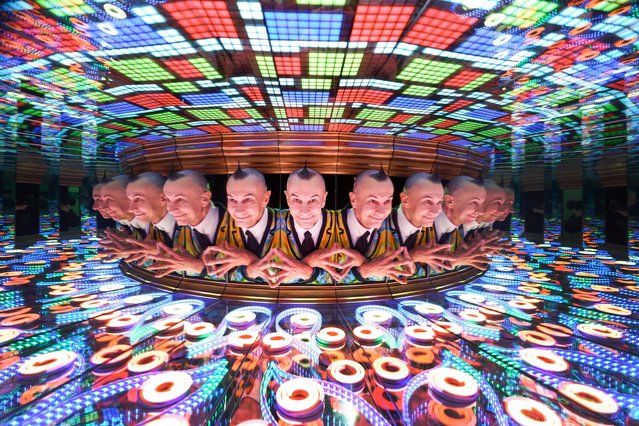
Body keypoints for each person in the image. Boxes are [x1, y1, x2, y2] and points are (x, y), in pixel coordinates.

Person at [333, 169, 414, 284]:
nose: (381, 212)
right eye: (373, 201)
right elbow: (326, 283)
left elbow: (401, 272)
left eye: (387, 201)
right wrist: (366, 270)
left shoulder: (396, 230)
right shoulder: (328, 224)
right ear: (353, 200)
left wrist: (412, 266)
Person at [275, 166, 349, 286]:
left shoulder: (344, 223)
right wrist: (309, 263)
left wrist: (305, 268)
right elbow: (267, 278)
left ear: (324, 199)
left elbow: (343, 281)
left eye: (313, 200)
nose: (305, 211)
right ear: (287, 198)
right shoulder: (270, 222)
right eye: (296, 200)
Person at [201, 167, 277, 282]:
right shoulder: (218, 226)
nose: (238, 211)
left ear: (265, 198)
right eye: (232, 200)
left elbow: (287, 279)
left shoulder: (288, 223)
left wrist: (249, 260)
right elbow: (218, 276)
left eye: (248, 200)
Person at [147, 170, 225, 277]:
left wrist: (199, 268)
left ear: (205, 199)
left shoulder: (238, 224)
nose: (170, 209)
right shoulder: (180, 231)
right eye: (168, 200)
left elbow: (252, 277)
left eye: (180, 199)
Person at [390, 172, 454, 276]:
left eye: (439, 202)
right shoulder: (377, 224)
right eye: (428, 202)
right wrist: (412, 258)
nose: (436, 211)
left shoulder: (432, 227)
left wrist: (448, 260)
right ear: (405, 200)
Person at [435, 176, 495, 270]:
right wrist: (452, 263)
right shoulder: (423, 224)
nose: (481, 211)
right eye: (474, 202)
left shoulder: (459, 228)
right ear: (449, 201)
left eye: (482, 203)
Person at [119, 172, 177, 264]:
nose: (131, 209)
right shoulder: (149, 227)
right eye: (129, 200)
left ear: (163, 198)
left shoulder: (189, 224)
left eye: (138, 199)